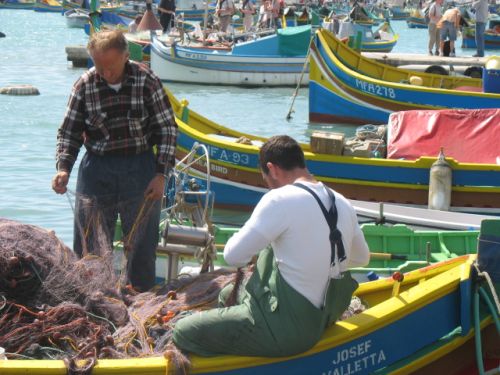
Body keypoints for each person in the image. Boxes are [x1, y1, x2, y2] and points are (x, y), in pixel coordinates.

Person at [172, 135, 370, 357]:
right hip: (325, 315)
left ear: (272, 169)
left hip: (287, 330)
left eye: (265, 179)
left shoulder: (279, 199)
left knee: (183, 330)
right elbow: (362, 258)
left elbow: (234, 256)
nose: (268, 185)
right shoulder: (341, 201)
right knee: (228, 293)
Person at [52, 30, 177, 292]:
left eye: (110, 66)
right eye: (99, 66)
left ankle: (141, 297)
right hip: (97, 168)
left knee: (142, 245)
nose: (105, 73)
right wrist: (63, 169)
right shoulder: (84, 85)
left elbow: (167, 129)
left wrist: (161, 174)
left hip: (140, 167)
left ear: (125, 56)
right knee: (90, 246)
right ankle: (95, 301)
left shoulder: (147, 81)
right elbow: (69, 132)